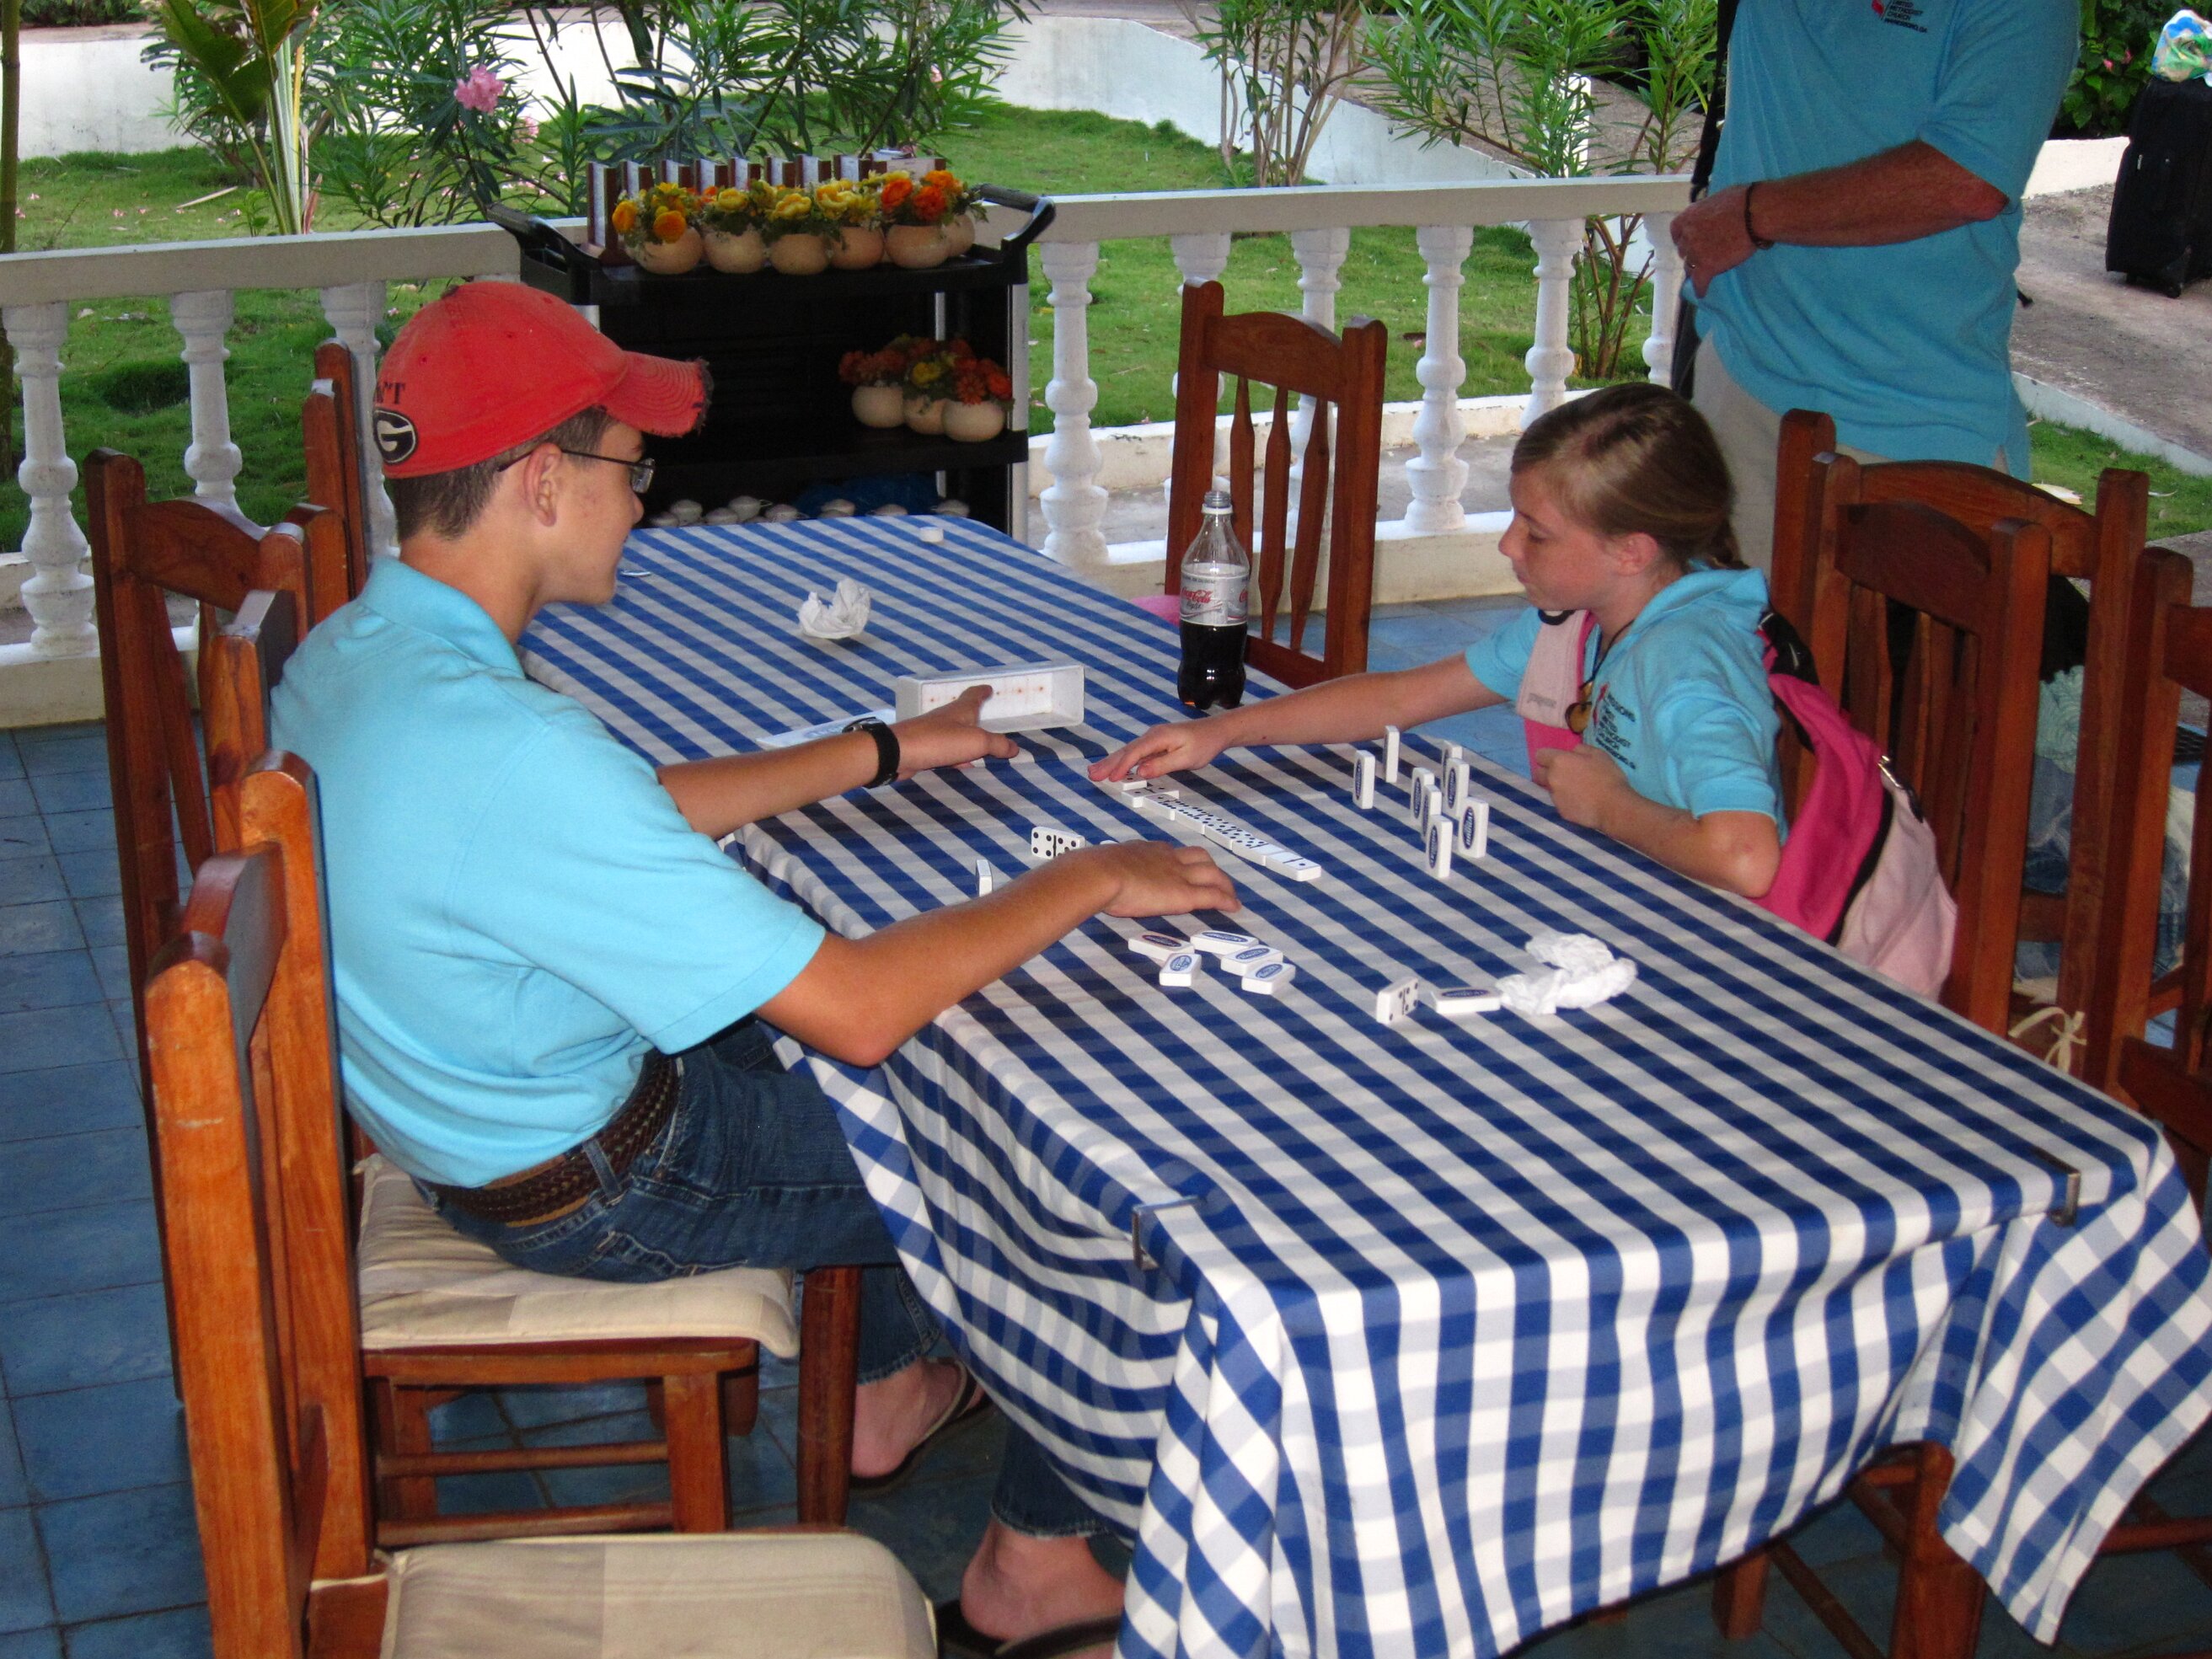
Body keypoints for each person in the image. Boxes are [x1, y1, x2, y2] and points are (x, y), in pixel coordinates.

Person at [272, 278, 1238, 1659]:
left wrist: (882, 748)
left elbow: (612, 814)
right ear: (541, 481)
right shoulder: (514, 749)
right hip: (608, 1185)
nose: (641, 501)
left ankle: (896, 1380)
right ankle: (1033, 1556)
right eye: (630, 468)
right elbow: (859, 1009)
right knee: (1067, 1167)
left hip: (474, 1121)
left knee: (920, 1022)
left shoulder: (361, 655)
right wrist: (1088, 875)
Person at [1092, 384, 1785, 902]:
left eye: (1536, 533)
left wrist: (1609, 807)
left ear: (1631, 550)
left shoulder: (1685, 665)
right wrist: (1222, 732)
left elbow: (1746, 860)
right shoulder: (1579, 620)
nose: (1507, 544)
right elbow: (1399, 697)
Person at [1668, 0, 2078, 569]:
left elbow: (1966, 179)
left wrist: (1751, 215)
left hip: (1907, 425)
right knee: (1701, 624)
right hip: (1740, 376)